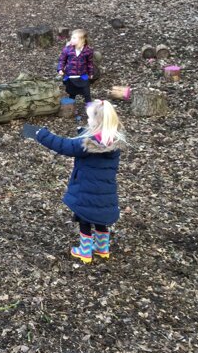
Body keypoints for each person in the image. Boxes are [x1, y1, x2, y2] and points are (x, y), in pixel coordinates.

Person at [23, 99, 126, 264]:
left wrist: (41, 134)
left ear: (97, 122)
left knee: (84, 218)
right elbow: (91, 139)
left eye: (90, 118)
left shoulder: (87, 145)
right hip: (105, 192)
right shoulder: (112, 141)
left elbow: (64, 145)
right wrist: (83, 132)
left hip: (85, 190)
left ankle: (85, 251)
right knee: (99, 217)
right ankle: (102, 248)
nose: (88, 121)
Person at [57, 29, 94, 106]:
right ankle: (71, 107)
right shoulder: (67, 49)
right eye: (71, 37)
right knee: (72, 93)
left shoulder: (88, 51)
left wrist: (91, 73)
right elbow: (62, 60)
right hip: (71, 75)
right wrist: (60, 69)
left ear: (82, 40)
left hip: (82, 76)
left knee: (87, 93)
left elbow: (89, 63)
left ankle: (90, 108)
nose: (71, 39)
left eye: (74, 38)